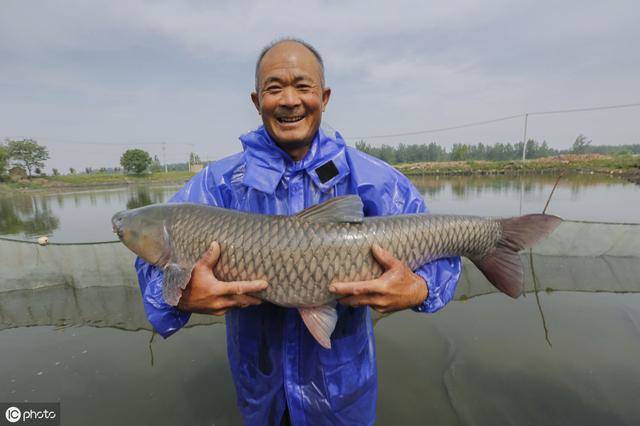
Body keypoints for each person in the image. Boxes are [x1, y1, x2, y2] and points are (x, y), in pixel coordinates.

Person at [136, 38, 461, 425]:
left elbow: (438, 246)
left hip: (344, 391)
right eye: (275, 88)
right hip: (260, 388)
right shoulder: (218, 184)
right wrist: (182, 297)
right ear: (257, 102)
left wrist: (419, 289)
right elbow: (150, 261)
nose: (290, 100)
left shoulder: (372, 178)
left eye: (302, 87)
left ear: (323, 97)